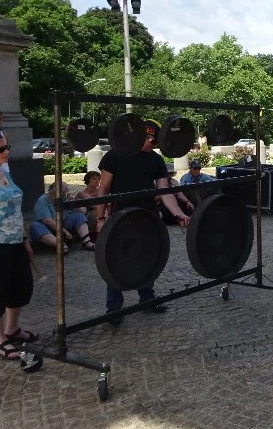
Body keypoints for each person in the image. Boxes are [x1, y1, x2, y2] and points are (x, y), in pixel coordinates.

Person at [94, 123, 190, 324]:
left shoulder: (156, 160)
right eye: (150, 140)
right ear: (138, 136)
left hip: (147, 217)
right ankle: (114, 308)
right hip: (121, 219)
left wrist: (179, 214)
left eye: (156, 141)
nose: (152, 145)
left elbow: (165, 193)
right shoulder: (115, 155)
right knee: (116, 261)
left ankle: (147, 299)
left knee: (148, 257)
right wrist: (100, 218)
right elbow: (103, 188)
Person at [0, 132, 37, 360]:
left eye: (6, 147)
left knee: (21, 287)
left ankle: (12, 329)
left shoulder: (6, 176)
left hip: (16, 242)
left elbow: (16, 211)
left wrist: (25, 239)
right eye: (0, 149)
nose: (6, 152)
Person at [30, 182, 95, 253]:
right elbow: (48, 221)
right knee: (35, 226)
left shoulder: (64, 198)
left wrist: (73, 202)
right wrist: (65, 232)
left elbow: (83, 210)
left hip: (63, 224)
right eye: (54, 194)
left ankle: (86, 242)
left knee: (78, 215)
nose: (56, 196)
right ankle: (60, 245)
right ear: (49, 191)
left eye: (61, 193)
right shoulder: (43, 200)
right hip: (48, 229)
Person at [77, 171, 102, 241]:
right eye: (94, 179)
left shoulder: (100, 192)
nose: (97, 181)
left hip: (100, 214)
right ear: (88, 180)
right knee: (95, 213)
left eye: (98, 179)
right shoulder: (82, 194)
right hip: (85, 216)